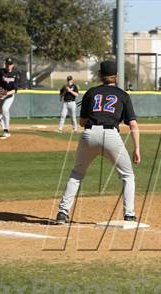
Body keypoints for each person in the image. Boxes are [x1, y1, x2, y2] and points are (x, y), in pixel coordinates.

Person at [56, 60, 141, 224]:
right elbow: (133, 124)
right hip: (111, 135)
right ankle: (129, 214)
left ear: (100, 75)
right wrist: (137, 148)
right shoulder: (123, 95)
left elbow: (81, 122)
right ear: (116, 76)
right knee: (128, 176)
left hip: (89, 134)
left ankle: (62, 212)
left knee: (77, 174)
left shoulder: (91, 92)